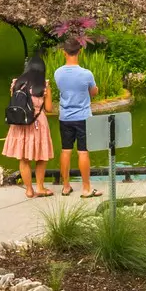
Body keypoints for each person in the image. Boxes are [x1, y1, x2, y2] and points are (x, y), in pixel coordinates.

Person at [1, 55, 54, 198]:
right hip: (37, 123)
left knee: (24, 159)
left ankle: (29, 190)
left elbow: (15, 101)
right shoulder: (44, 85)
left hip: (20, 123)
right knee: (41, 158)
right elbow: (49, 108)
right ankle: (41, 187)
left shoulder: (16, 83)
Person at [53, 44, 100, 198]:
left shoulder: (58, 73)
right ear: (79, 51)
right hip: (83, 117)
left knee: (66, 150)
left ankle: (66, 186)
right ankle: (86, 188)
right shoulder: (86, 74)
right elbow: (93, 92)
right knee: (83, 152)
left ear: (64, 52)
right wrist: (94, 89)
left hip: (65, 117)